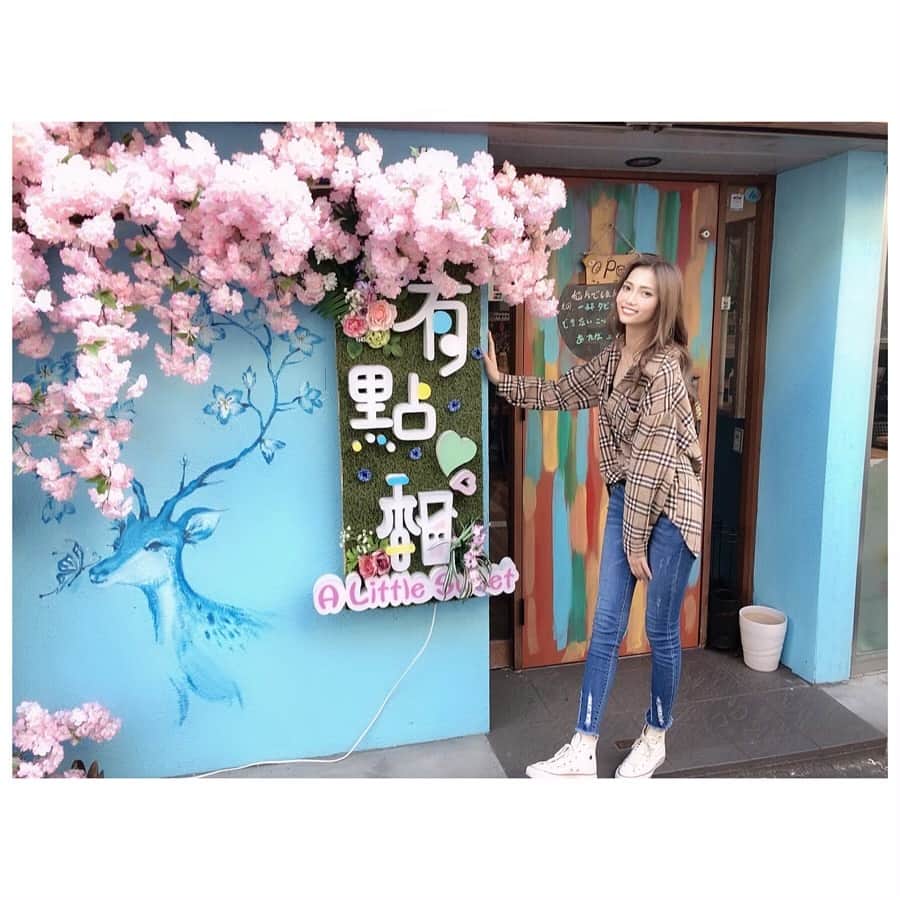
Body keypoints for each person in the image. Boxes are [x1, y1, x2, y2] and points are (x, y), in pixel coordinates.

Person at [483, 253, 703, 779]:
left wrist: (634, 541)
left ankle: (655, 735)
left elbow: (651, 462)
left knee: (659, 629)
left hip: (672, 508)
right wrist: (500, 379)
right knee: (605, 624)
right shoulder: (613, 356)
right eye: (628, 287)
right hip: (631, 498)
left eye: (646, 292)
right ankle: (582, 746)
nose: (631, 298)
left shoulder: (666, 369)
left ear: (664, 304)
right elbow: (563, 391)